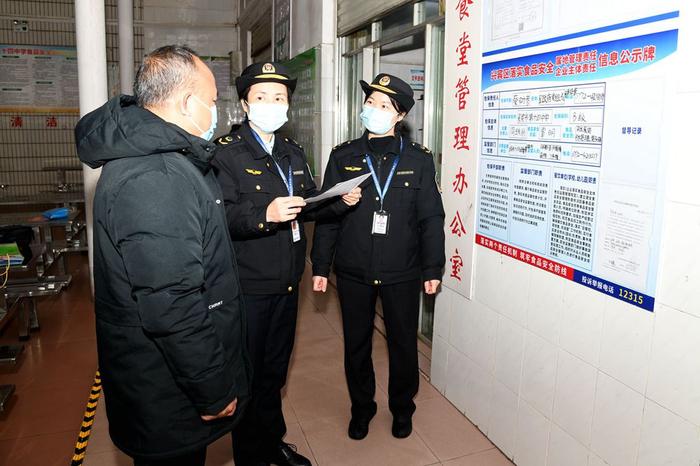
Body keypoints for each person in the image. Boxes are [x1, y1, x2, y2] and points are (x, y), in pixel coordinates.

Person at [74, 45, 251, 466]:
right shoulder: (157, 177)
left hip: (163, 381)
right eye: (211, 102)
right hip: (166, 390)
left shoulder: (158, 159)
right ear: (188, 103)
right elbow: (172, 304)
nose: (214, 112)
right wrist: (211, 388)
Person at [211, 62, 361, 466]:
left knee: (275, 372)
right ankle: (250, 456)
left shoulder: (292, 153)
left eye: (280, 98)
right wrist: (266, 214)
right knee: (249, 376)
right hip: (249, 285)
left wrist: (337, 201)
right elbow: (219, 216)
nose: (272, 104)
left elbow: (307, 205)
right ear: (245, 104)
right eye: (262, 97)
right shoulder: (225, 155)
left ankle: (271, 441)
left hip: (287, 282)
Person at [311, 73, 445, 441]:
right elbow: (327, 216)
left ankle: (402, 408)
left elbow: (431, 217)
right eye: (370, 102)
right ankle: (362, 407)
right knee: (356, 344)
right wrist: (320, 265)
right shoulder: (344, 156)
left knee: (403, 343)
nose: (373, 109)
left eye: (384, 106)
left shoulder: (418, 161)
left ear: (399, 115)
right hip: (353, 269)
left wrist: (432, 266)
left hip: (402, 270)